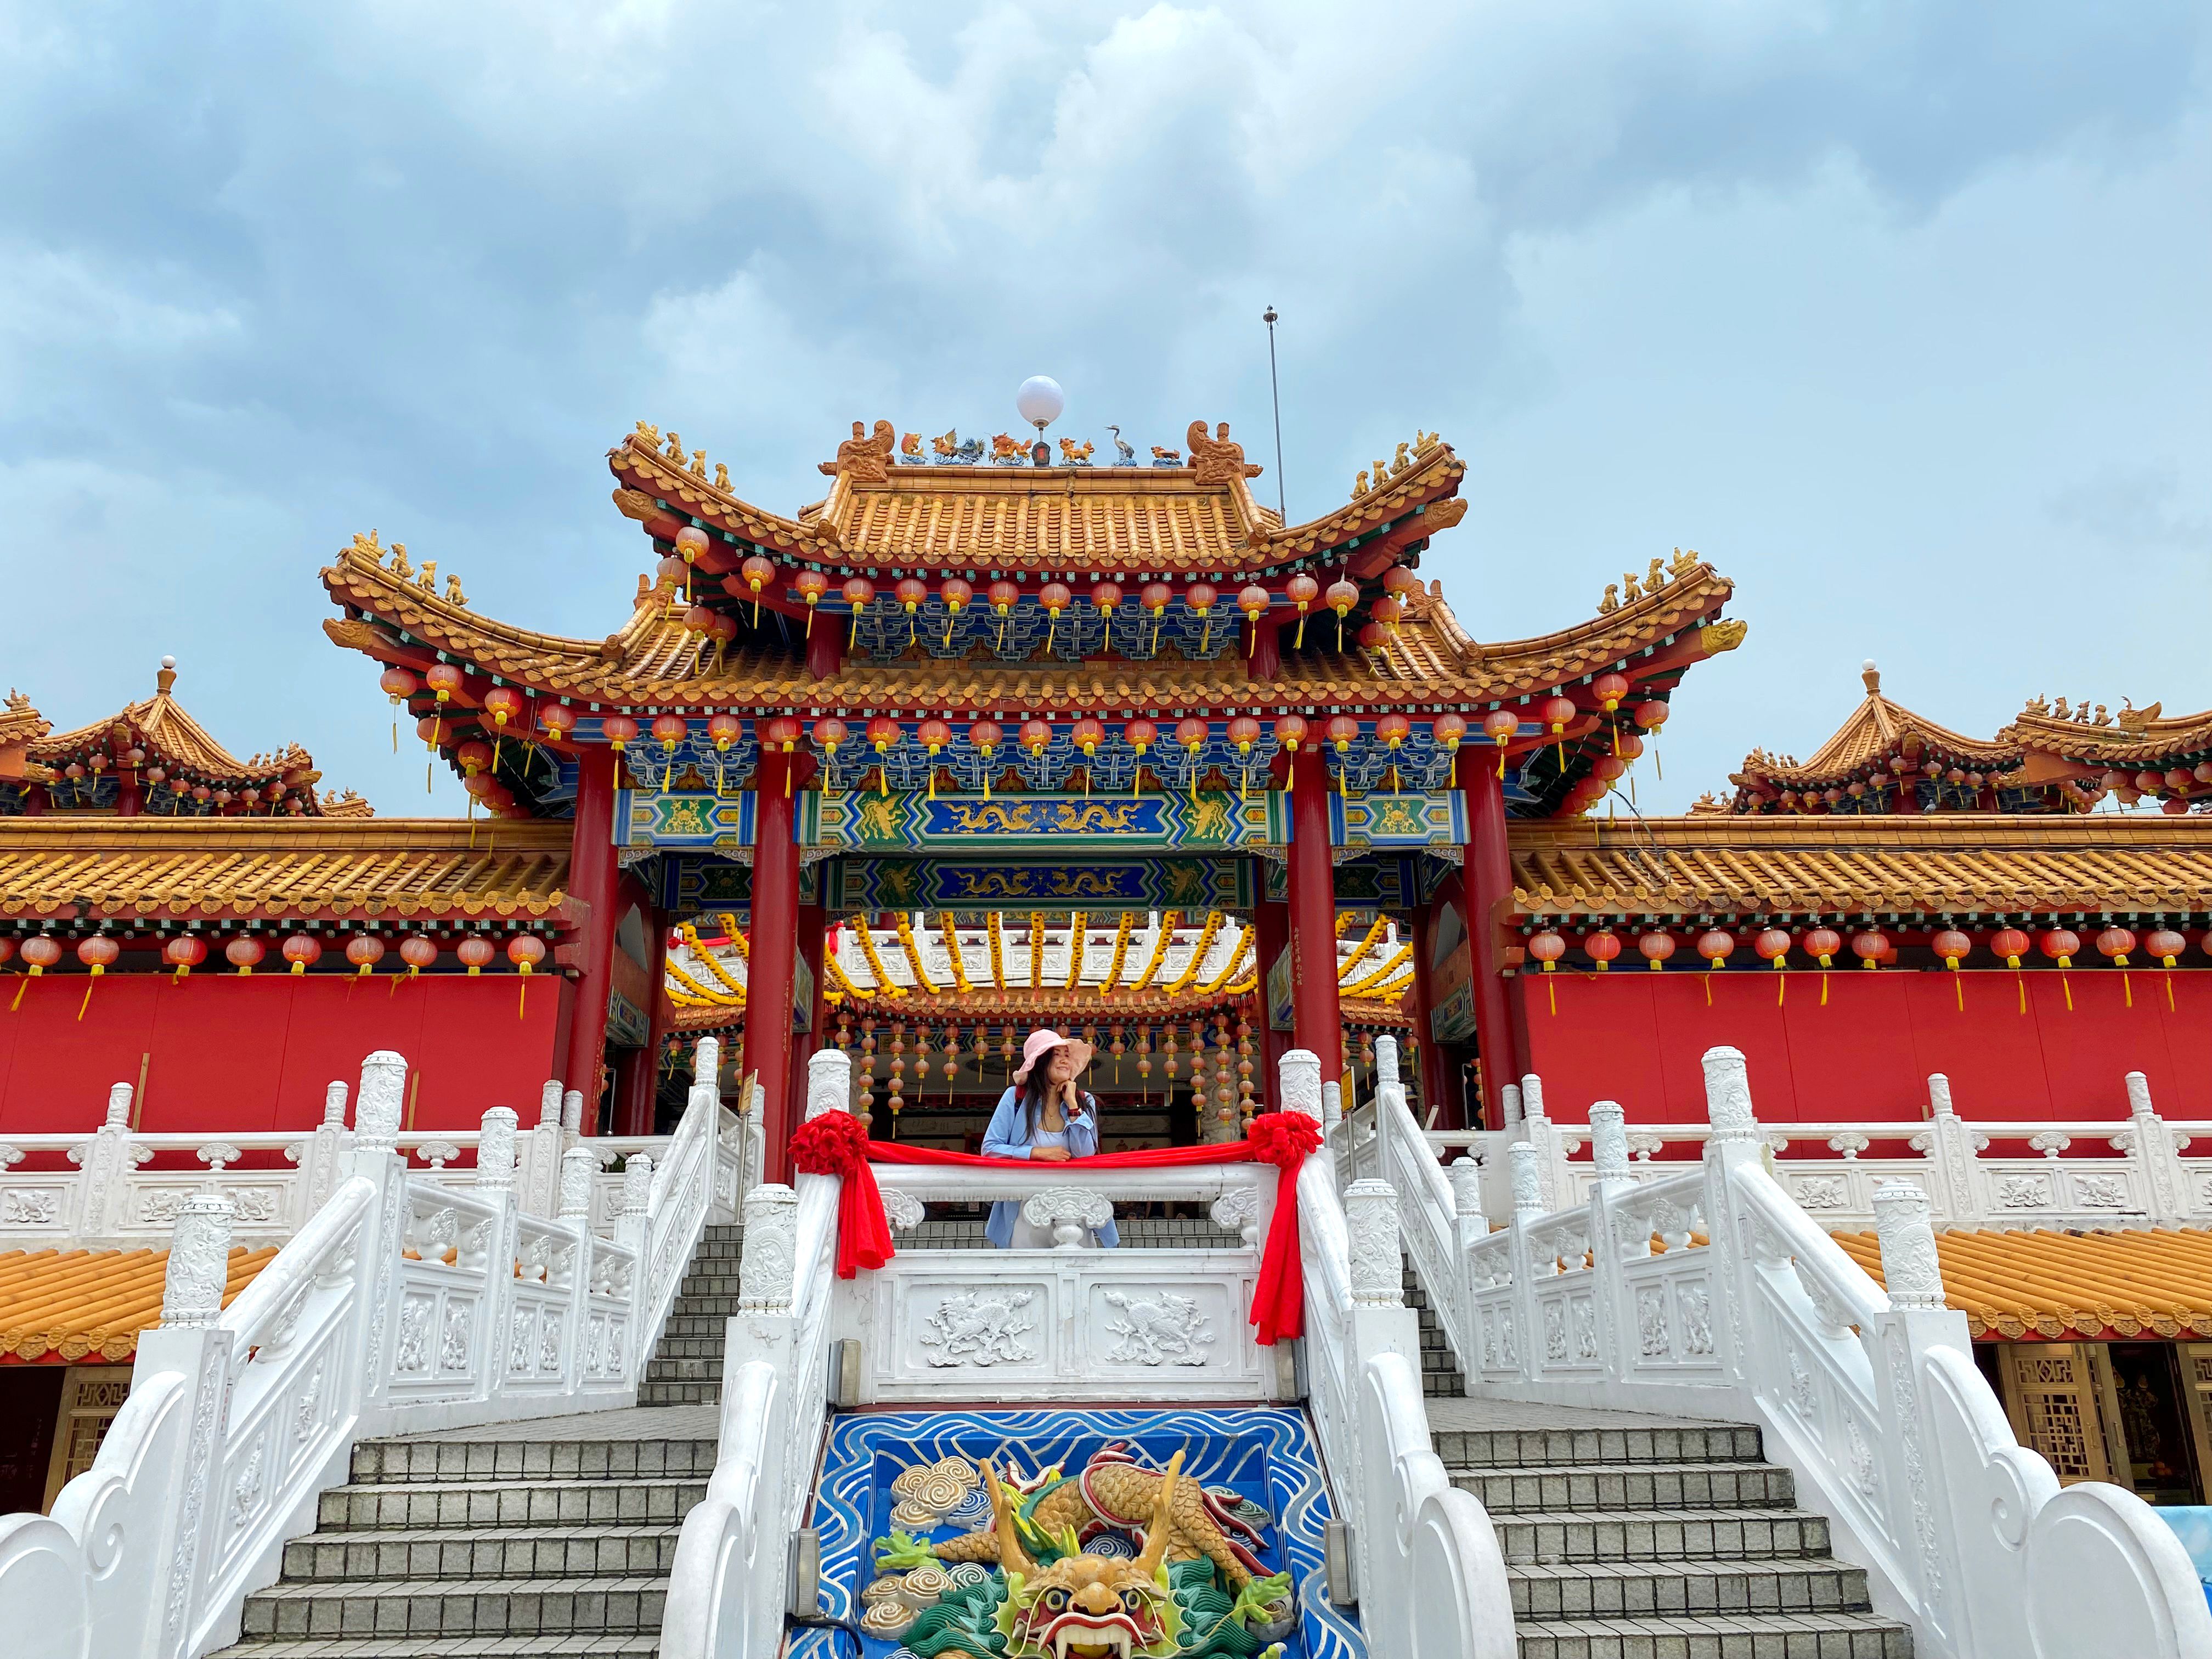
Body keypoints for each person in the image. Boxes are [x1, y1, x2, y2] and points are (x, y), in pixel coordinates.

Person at [980, 1028, 1120, 1249]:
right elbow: (990, 1149)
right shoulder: (1015, 1098)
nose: (1065, 1060)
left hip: (1074, 1207)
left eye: (1067, 1055)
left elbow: (1085, 1153)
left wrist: (1073, 1106)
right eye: (1057, 1054)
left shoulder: (1085, 1101)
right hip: (1026, 1208)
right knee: (1029, 1268)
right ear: (1040, 1061)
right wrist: (1036, 1154)